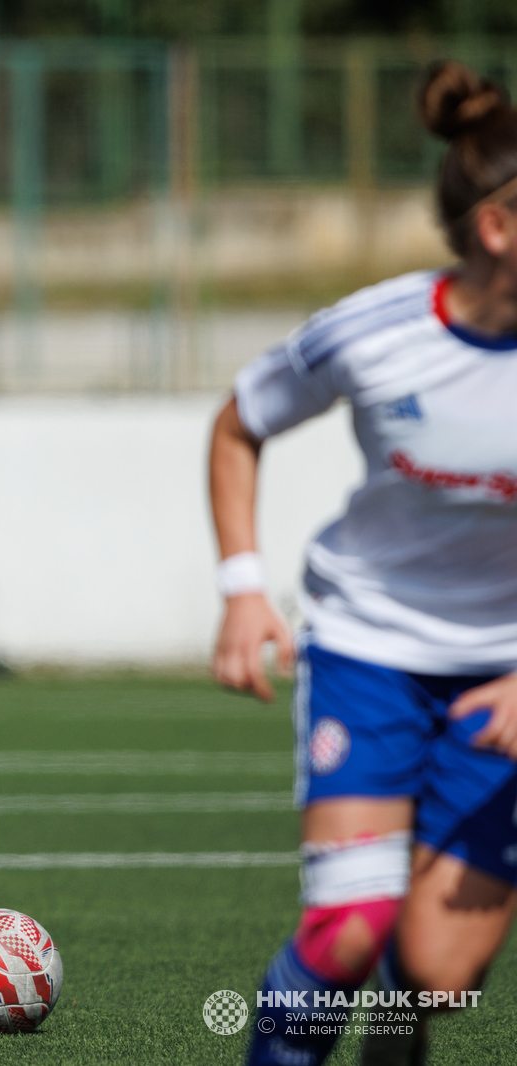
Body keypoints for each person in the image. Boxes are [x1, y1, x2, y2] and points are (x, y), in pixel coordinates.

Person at [211, 62, 517, 1066]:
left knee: (436, 974)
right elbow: (239, 423)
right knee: (346, 930)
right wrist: (242, 590)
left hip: (504, 673)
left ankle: (400, 1014)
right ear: (496, 227)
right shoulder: (376, 332)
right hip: (368, 647)